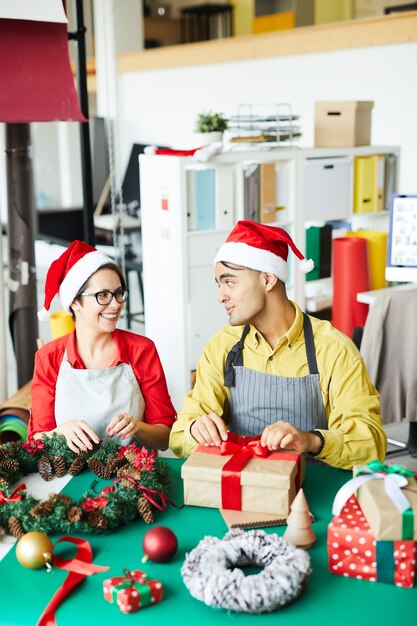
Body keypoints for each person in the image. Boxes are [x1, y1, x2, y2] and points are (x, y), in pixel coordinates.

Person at [169, 220, 387, 469]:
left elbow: (370, 444)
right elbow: (178, 435)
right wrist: (195, 428)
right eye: (219, 284)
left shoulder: (334, 349)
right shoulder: (222, 346)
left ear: (268, 279)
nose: (221, 296)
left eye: (230, 282)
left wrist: (312, 440)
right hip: (242, 486)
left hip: (313, 492)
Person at [29, 240, 176, 453]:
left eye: (118, 293)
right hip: (67, 477)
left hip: (133, 476)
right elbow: (36, 441)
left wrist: (138, 427)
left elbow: (165, 438)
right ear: (75, 302)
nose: (116, 304)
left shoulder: (142, 350)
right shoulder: (48, 357)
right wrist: (61, 431)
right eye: (103, 295)